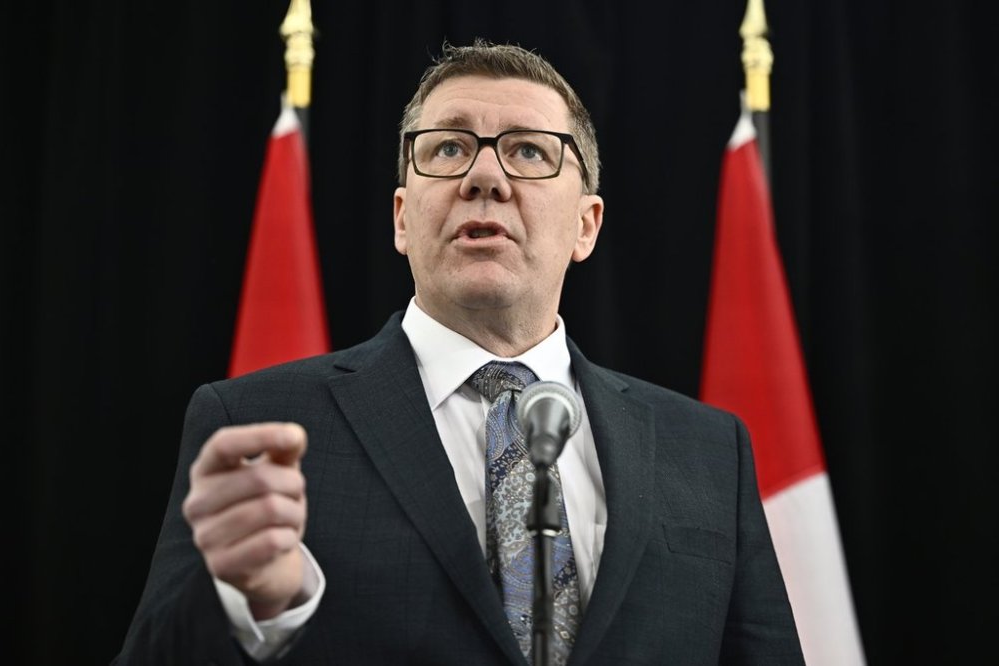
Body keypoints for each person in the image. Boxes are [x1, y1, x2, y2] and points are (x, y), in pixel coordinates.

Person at [116, 40, 804, 665]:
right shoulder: (256, 422)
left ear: (586, 225)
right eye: (447, 149)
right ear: (401, 219)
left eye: (530, 151)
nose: (485, 176)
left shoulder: (711, 451)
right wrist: (250, 609)